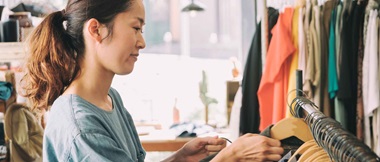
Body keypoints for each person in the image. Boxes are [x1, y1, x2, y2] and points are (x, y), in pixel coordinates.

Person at [21, 0, 284, 161]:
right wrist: (230, 157)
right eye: (136, 28)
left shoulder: (110, 100)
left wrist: (179, 159)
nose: (142, 42)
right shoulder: (82, 127)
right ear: (96, 29)